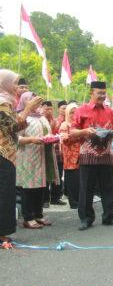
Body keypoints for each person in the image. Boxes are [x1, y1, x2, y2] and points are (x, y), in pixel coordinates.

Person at [70, 81, 113, 231]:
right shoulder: (81, 110)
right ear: (91, 93)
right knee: (86, 189)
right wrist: (85, 131)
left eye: (104, 93)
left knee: (108, 188)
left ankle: (109, 217)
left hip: (106, 156)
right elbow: (72, 132)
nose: (102, 96)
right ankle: (86, 219)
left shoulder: (109, 111)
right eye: (99, 93)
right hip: (88, 156)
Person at [0, 69, 42, 241]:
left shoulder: (7, 101)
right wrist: (28, 108)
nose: (17, 87)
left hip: (7, 152)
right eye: (15, 83)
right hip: (3, 154)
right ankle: (1, 233)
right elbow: (12, 126)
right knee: (3, 193)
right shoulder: (2, 102)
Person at [16, 92, 59, 229]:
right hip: (28, 156)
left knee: (41, 186)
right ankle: (28, 217)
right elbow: (15, 139)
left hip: (43, 156)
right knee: (28, 188)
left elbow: (48, 133)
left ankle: (38, 215)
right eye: (31, 101)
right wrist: (32, 140)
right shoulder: (21, 117)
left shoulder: (41, 117)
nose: (35, 103)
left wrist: (53, 138)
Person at [59, 102, 81, 209]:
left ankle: (79, 201)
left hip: (80, 156)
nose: (73, 115)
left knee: (79, 180)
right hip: (70, 156)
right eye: (71, 113)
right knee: (72, 180)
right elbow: (64, 140)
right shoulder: (64, 125)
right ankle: (73, 202)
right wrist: (78, 135)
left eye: (76, 112)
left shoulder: (79, 125)